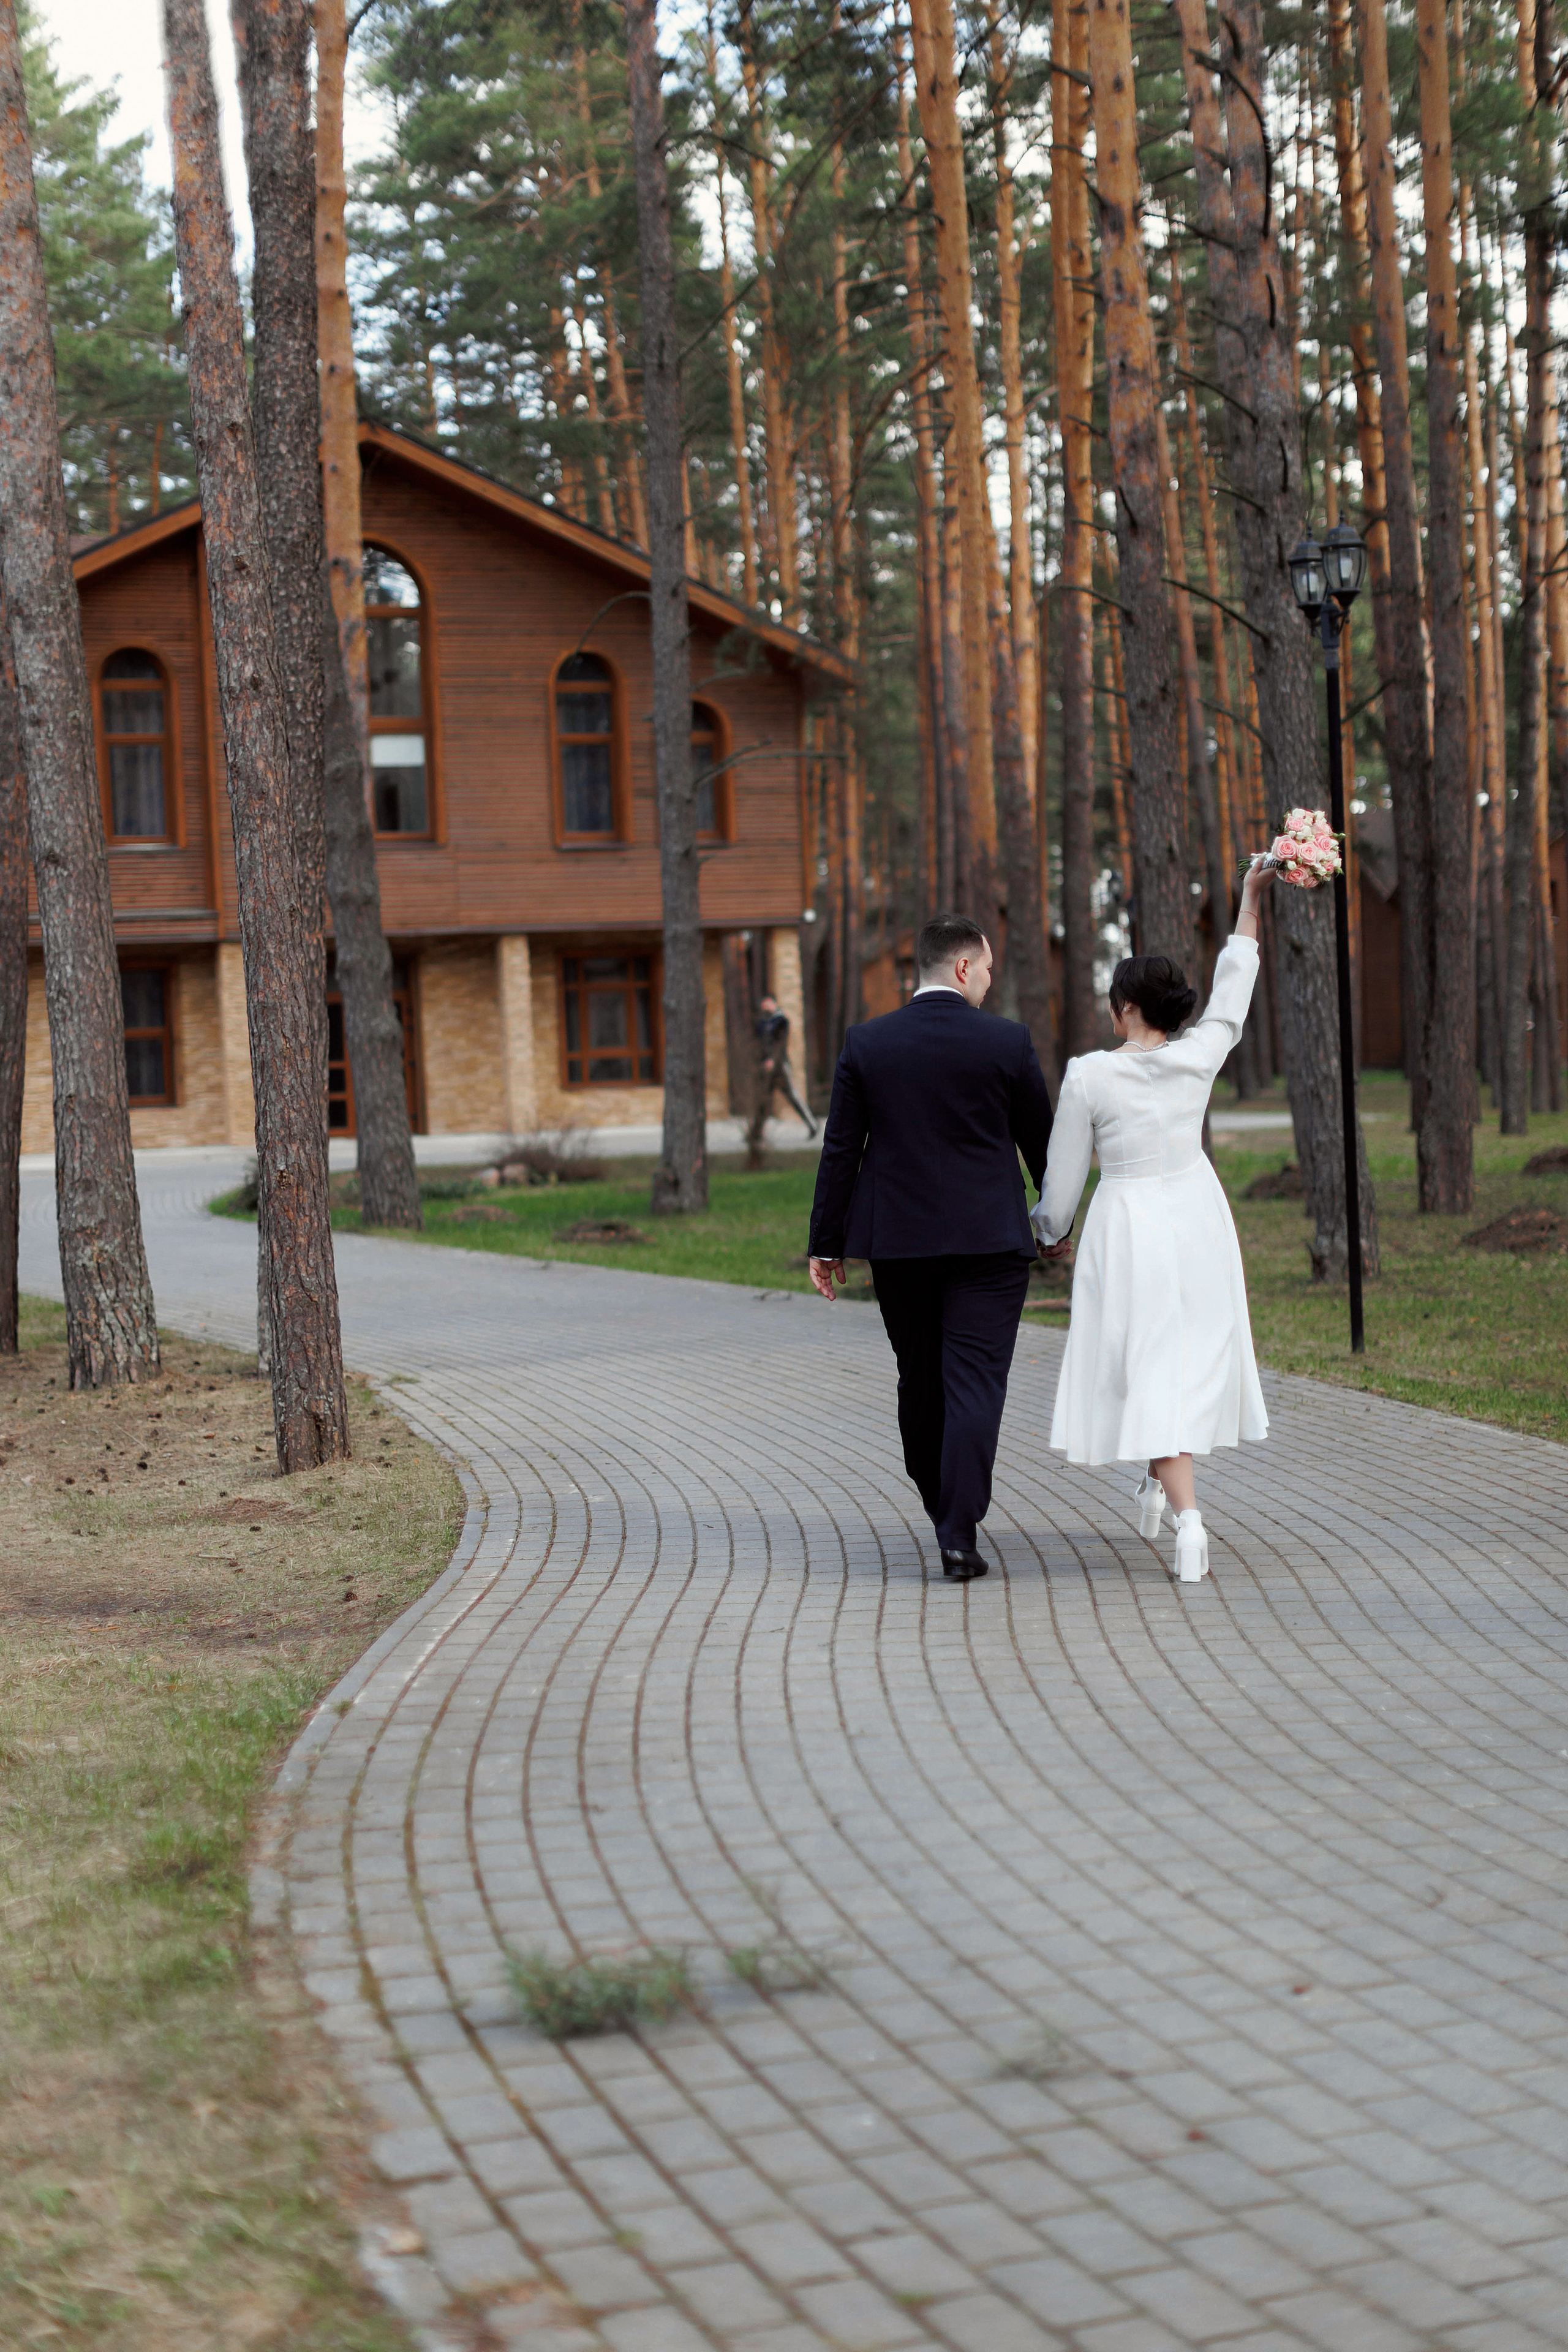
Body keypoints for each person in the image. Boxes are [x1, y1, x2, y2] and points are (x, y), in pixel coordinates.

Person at [1031, 859, 1275, 1585]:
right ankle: (1152, 1488)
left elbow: (1062, 1177)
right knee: (1171, 1357)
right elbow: (1232, 997)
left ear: (1127, 1009)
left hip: (1128, 1222)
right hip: (1196, 1215)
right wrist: (1251, 901)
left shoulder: (1089, 1075)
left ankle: (1189, 1522)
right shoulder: (1197, 1057)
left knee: (1145, 1360)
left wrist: (1049, 1230)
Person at [807, 913, 1054, 1581]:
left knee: (919, 1379)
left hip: (900, 1244)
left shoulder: (868, 1043)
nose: (990, 981)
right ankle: (957, 1527)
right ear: (963, 967)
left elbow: (841, 1150)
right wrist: (1055, 1225)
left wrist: (826, 1244)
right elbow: (1042, 1144)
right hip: (990, 1243)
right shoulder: (1006, 1042)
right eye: (988, 969)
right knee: (974, 1382)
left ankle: (945, 1511)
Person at [755, 992, 817, 1138]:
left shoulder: (781, 1021)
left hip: (780, 1066)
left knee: (792, 1096)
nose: (765, 1007)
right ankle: (755, 1133)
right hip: (768, 1066)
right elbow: (761, 1044)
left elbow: (780, 1045)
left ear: (773, 1003)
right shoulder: (763, 1023)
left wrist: (772, 1060)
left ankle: (813, 1125)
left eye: (767, 1003)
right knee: (764, 1098)